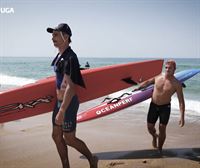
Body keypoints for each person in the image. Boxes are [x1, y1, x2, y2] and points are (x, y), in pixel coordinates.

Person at [47, 23, 98, 168]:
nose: (53, 38)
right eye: (52, 36)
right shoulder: (60, 55)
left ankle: (91, 158)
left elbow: (71, 87)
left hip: (67, 104)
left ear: (66, 36)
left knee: (69, 138)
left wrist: (62, 110)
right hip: (59, 102)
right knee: (56, 136)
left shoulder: (70, 57)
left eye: (56, 35)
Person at [135, 60, 185, 153]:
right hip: (153, 105)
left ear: (174, 69)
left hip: (165, 107)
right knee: (150, 127)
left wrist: (182, 116)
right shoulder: (158, 77)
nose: (167, 69)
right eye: (166, 67)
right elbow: (148, 82)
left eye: (170, 68)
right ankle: (154, 136)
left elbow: (181, 101)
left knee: (162, 128)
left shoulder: (177, 84)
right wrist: (138, 88)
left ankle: (160, 149)